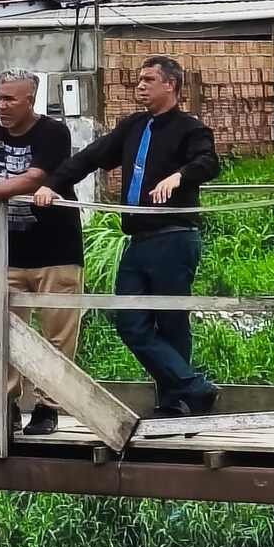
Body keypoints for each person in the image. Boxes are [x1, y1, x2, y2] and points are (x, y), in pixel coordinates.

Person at [35, 55, 219, 418]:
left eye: (149, 79)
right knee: (129, 320)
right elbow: (90, 157)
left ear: (171, 85)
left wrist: (179, 177)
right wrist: (52, 185)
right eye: (139, 79)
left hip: (174, 236)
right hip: (138, 240)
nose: (140, 85)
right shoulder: (134, 126)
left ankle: (175, 401)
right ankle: (194, 387)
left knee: (171, 320)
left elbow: (208, 162)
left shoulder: (189, 128)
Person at [0, 69, 84, 436]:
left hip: (57, 248)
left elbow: (34, 179)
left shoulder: (53, 132)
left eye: (10, 99)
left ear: (30, 101)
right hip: (10, 250)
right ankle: (6, 403)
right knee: (4, 331)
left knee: (57, 334)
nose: (2, 105)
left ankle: (47, 407)